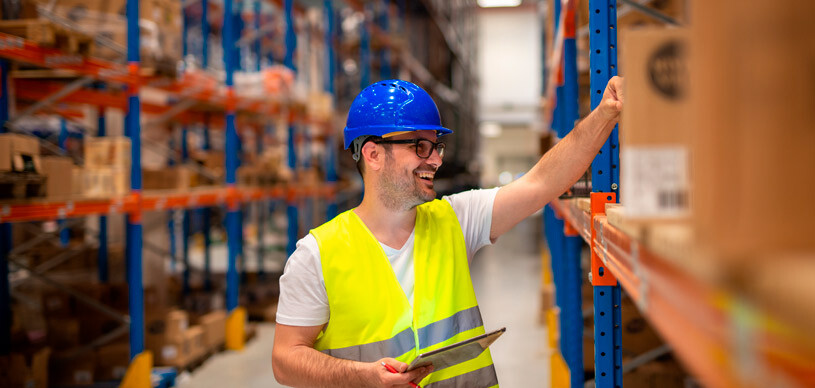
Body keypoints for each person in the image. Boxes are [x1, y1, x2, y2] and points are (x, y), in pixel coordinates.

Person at [272, 77, 624, 388]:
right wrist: (362, 377)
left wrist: (605, 113)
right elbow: (285, 361)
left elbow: (541, 182)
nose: (436, 160)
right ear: (373, 154)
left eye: (436, 146)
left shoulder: (456, 219)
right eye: (419, 147)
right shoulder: (317, 255)